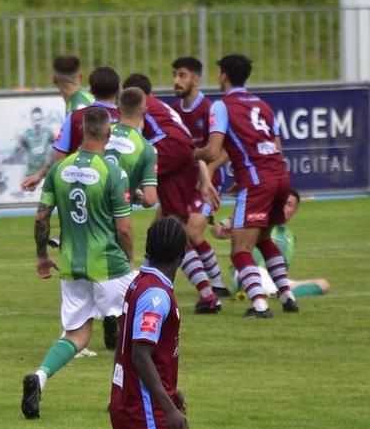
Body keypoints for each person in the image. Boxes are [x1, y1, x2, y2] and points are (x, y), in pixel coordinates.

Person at [22, 107, 134, 420]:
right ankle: (119, 398)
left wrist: (42, 255)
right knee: (129, 332)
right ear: (109, 134)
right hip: (109, 264)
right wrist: (130, 257)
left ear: (82, 132)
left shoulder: (59, 169)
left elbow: (42, 216)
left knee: (76, 334)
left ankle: (41, 376)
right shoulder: (113, 171)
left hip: (72, 265)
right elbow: (124, 228)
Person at [194, 54, 299, 318]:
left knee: (240, 249)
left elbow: (213, 149)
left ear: (225, 75)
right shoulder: (262, 105)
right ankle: (287, 296)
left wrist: (192, 153)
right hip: (279, 176)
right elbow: (276, 147)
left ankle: (260, 305)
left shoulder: (222, 106)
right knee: (263, 237)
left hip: (258, 182)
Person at [124, 73, 222, 314]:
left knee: (117, 183)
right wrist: (205, 178)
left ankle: (208, 293)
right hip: (183, 157)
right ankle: (208, 290)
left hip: (165, 151)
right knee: (166, 230)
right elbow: (188, 145)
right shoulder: (166, 109)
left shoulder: (136, 106)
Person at [109, 217, 189, 429]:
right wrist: (168, 408)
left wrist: (170, 390)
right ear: (181, 255)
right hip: (147, 416)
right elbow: (140, 354)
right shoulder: (156, 295)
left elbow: (130, 345)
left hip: (130, 404)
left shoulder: (140, 283)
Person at [171, 57, 231, 298]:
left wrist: (212, 170)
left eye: (182, 75)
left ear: (196, 78)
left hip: (206, 184)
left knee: (193, 232)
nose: (176, 80)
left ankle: (216, 283)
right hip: (182, 183)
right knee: (171, 231)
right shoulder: (174, 111)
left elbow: (226, 149)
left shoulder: (210, 109)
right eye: (175, 75)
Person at [214, 189, 329, 298]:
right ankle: (269, 293)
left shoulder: (289, 236)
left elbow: (283, 268)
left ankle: (276, 294)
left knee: (323, 284)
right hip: (253, 272)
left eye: (289, 205)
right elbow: (218, 232)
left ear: (295, 211)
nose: (283, 208)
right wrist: (225, 227)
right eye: (281, 203)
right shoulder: (255, 221)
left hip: (273, 279)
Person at [22, 66, 122, 191]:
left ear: (90, 90)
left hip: (80, 187)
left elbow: (58, 157)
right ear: (118, 89)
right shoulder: (126, 120)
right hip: (117, 188)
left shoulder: (74, 117)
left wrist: (39, 176)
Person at [106, 88, 159, 209]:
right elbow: (150, 200)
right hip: (116, 219)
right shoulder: (147, 149)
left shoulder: (101, 134)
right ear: (145, 110)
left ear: (118, 109)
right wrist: (135, 195)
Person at [19, 107, 56, 189]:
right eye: (35, 120)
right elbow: (21, 149)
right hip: (31, 174)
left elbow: (57, 144)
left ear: (42, 119)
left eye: (39, 120)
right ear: (31, 121)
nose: (37, 123)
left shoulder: (47, 132)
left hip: (44, 174)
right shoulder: (26, 134)